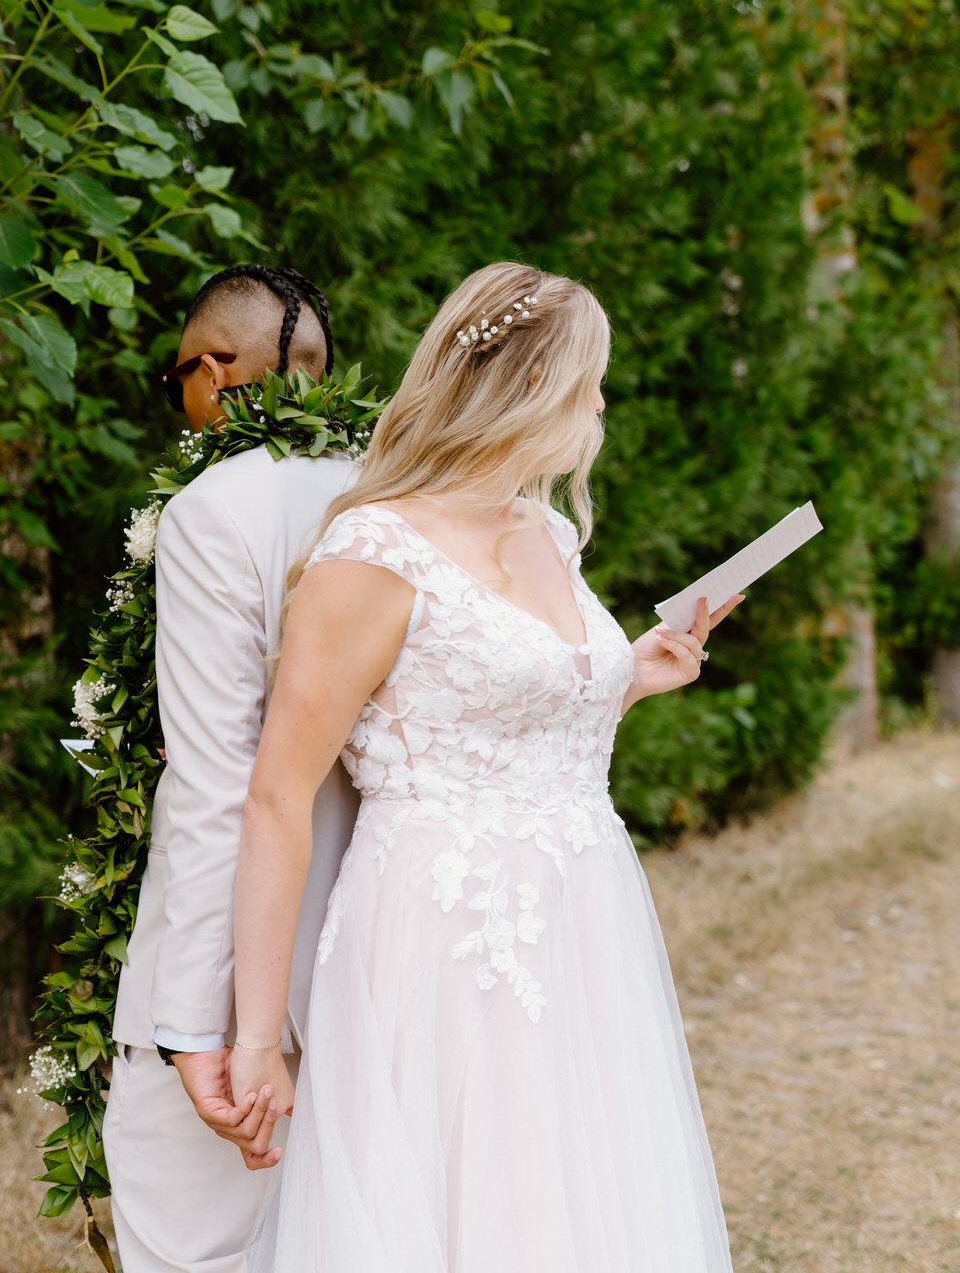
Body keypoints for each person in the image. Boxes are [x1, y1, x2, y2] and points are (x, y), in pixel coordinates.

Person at [230, 260, 741, 1272]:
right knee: (471, 1197)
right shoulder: (376, 553)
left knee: (580, 1194)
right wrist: (255, 1038)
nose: (599, 403)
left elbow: (504, 702)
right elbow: (280, 793)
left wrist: (629, 676)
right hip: (443, 932)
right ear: (534, 387)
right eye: (589, 380)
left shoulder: (546, 531)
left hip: (583, 917)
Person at [103, 265, 361, 1273]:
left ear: (213, 372)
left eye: (178, 379)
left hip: (242, 983)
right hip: (378, 961)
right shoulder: (398, 495)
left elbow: (217, 787)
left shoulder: (216, 510)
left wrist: (191, 1021)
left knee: (190, 1249)